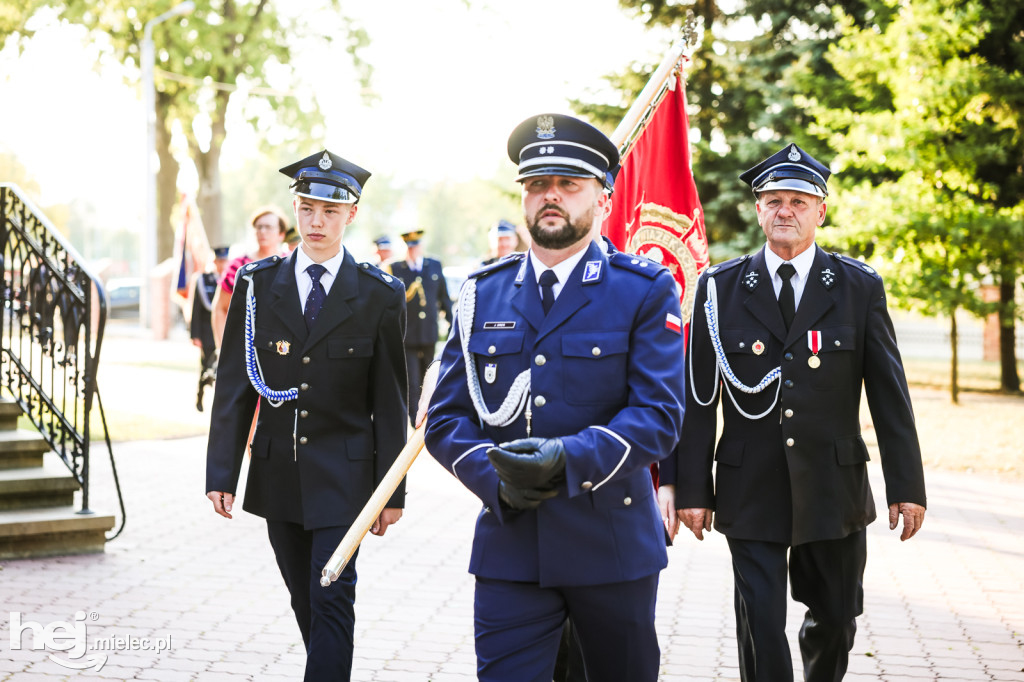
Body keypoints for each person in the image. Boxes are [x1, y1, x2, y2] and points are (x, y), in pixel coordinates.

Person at [424, 113, 686, 682]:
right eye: (538, 184)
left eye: (569, 185)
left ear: (604, 198)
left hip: (611, 546)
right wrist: (496, 481)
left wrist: (566, 460)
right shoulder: (481, 295)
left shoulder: (643, 289)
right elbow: (445, 418)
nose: (551, 197)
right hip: (511, 545)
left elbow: (660, 417)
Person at [661, 143, 927, 681]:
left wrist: (907, 485)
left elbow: (889, 395)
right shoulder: (720, 287)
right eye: (774, 200)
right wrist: (692, 489)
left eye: (799, 201)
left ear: (820, 211)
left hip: (833, 486)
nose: (786, 210)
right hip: (749, 484)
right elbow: (699, 398)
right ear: (758, 210)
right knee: (759, 621)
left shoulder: (858, 286)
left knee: (835, 621)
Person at [205, 149, 409, 681]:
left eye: (329, 211)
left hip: (345, 479)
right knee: (306, 600)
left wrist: (392, 495)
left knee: (332, 598)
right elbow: (234, 385)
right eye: (306, 208)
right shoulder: (257, 283)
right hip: (277, 473)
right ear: (295, 209)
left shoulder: (378, 294)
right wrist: (222, 473)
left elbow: (390, 401)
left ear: (351, 215)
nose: (316, 222)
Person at [390, 229, 452, 424]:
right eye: (410, 246)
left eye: (416, 245)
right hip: (407, 334)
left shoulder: (433, 265)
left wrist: (452, 322)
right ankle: (415, 421)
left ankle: (432, 418)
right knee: (412, 380)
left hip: (428, 332)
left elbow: (443, 297)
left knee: (431, 376)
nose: (413, 249)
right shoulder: (395, 268)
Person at [211, 205, 290, 350]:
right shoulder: (238, 266)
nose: (262, 231)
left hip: (282, 348)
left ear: (281, 234)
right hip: (244, 346)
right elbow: (220, 309)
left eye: (268, 227)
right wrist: (222, 350)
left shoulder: (292, 266)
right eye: (258, 227)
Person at [190, 245, 229, 411]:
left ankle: (218, 401)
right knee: (206, 364)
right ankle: (200, 396)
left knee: (222, 368)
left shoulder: (230, 279)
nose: (221, 264)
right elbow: (196, 309)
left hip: (225, 331)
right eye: (219, 261)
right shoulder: (203, 279)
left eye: (224, 261)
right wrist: (195, 334)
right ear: (214, 261)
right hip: (206, 332)